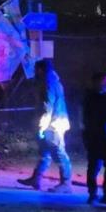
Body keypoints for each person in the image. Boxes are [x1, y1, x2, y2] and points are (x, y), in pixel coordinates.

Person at [18, 60, 72, 193]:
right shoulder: (51, 81)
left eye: (36, 70)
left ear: (41, 70)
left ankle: (66, 183)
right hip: (53, 122)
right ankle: (36, 178)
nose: (34, 72)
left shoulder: (48, 83)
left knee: (59, 153)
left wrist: (42, 125)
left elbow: (47, 106)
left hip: (53, 124)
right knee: (45, 152)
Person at [82, 71, 106, 204]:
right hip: (96, 137)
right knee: (94, 166)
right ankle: (93, 194)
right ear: (97, 82)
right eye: (104, 81)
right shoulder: (91, 99)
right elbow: (88, 120)